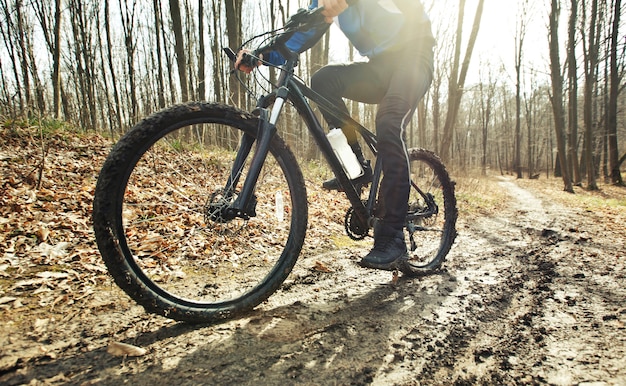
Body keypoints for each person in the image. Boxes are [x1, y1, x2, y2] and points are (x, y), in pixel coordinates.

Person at [236, 0, 435, 271]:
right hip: (379, 67)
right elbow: (300, 36)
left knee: (388, 122)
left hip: (414, 56)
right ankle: (356, 165)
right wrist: (261, 55)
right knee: (323, 81)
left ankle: (392, 238)